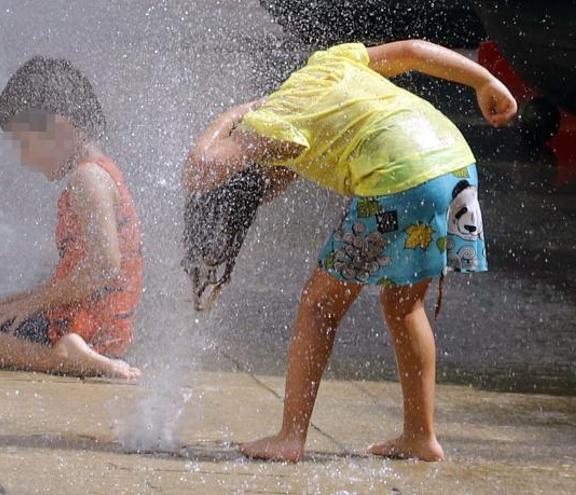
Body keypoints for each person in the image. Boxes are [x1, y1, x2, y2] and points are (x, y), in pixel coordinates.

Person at [183, 40, 517, 462]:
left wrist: (233, 115)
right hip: (452, 162)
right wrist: (484, 80)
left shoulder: (272, 120)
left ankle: (290, 437)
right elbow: (413, 50)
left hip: (400, 176)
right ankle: (420, 436)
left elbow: (198, 171)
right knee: (403, 303)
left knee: (319, 307)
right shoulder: (329, 64)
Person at [0, 56, 143, 380]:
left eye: (25, 143)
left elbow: (104, 265)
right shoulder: (102, 173)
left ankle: (61, 358)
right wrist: (5, 304)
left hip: (85, 327)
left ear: (61, 129)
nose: (24, 158)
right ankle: (76, 353)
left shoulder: (88, 180)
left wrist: (31, 306)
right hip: (104, 328)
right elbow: (77, 276)